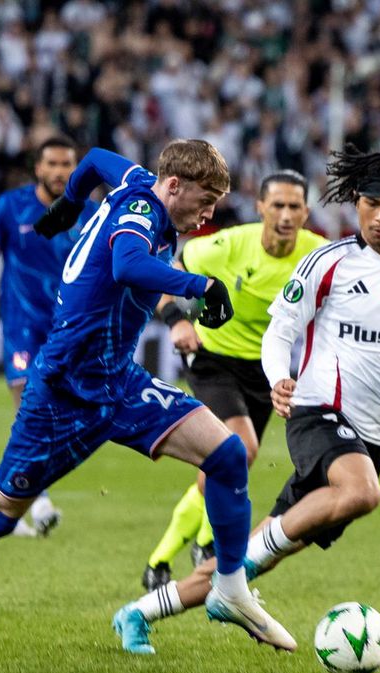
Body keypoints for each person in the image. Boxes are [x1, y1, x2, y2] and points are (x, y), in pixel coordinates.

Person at [0, 141, 297, 657]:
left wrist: (70, 203)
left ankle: (228, 587)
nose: (208, 215)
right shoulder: (142, 209)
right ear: (175, 186)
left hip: (118, 382)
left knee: (227, 455)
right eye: (204, 201)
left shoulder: (139, 180)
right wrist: (198, 284)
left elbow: (93, 158)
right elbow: (127, 263)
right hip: (63, 392)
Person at [112, 144, 380, 655]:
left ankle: (140, 612)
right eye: (370, 203)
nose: (379, 215)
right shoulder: (327, 261)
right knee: (363, 493)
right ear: (356, 203)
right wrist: (277, 378)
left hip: (375, 437)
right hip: (318, 411)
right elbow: (281, 331)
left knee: (261, 550)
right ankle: (236, 570)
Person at [141, 170, 328, 590]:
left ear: (305, 212)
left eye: (294, 206)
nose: (285, 214)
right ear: (260, 207)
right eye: (276, 205)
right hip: (213, 359)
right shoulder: (226, 245)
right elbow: (163, 271)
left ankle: (163, 558)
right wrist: (175, 321)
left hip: (266, 370)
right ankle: (204, 546)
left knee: (228, 462)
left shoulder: (319, 255)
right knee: (239, 447)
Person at [0, 136, 97, 537]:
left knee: (59, 415)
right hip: (22, 325)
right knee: (29, 406)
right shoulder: (9, 207)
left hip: (69, 328)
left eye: (67, 164)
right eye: (53, 164)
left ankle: (15, 498)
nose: (60, 172)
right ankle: (35, 500)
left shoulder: (92, 212)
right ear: (38, 169)